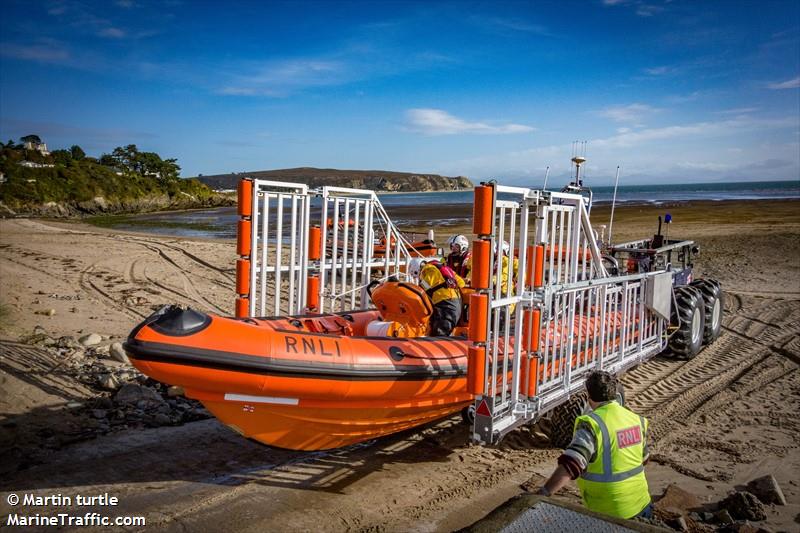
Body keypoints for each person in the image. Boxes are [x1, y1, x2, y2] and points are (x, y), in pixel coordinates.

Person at [538, 370, 653, 520]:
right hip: (643, 506)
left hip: (610, 514)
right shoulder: (636, 420)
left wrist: (543, 493)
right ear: (614, 393)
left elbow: (571, 465)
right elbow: (645, 459)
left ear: (588, 396)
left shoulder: (591, 424)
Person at [408, 257, 465, 336]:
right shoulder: (445, 268)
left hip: (445, 303)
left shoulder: (427, 269)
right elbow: (461, 283)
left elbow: (423, 288)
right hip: (457, 302)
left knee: (440, 333)